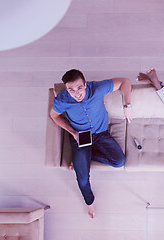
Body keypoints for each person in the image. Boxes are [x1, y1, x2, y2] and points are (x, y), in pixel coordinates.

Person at [50, 69, 133, 218]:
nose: (77, 93)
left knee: (119, 161)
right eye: (71, 90)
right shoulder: (62, 100)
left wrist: (127, 106)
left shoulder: (97, 88)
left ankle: (83, 158)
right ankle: (90, 203)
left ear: (85, 85)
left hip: (101, 133)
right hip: (80, 135)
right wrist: (72, 132)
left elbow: (125, 81)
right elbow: (53, 116)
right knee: (82, 178)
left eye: (79, 87)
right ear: (67, 89)